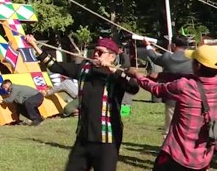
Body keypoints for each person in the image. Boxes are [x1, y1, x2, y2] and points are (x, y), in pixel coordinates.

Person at [27, 34, 138, 171]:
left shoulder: (116, 75)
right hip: (84, 136)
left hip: (107, 139)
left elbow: (133, 88)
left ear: (112, 56)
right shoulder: (84, 69)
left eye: (100, 52)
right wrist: (34, 45)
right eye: (95, 51)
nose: (95, 54)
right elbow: (55, 66)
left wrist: (113, 70)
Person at [127, 45, 217, 171]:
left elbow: (156, 89)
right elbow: (190, 78)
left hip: (176, 155)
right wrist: (162, 75)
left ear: (197, 66)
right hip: (202, 157)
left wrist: (137, 75)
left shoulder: (184, 86)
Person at [145, 35, 193, 137]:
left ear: (173, 45)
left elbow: (154, 58)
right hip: (190, 97)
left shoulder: (168, 57)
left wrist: (148, 46)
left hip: (172, 97)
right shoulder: (194, 58)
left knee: (170, 127)